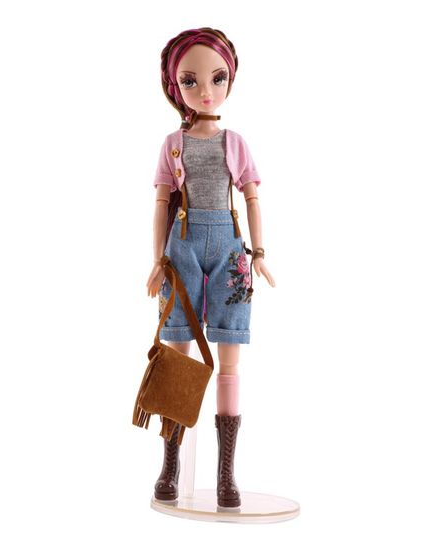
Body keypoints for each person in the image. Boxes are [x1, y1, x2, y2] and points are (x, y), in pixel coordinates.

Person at [146, 27, 275, 508]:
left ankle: (226, 474)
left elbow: (252, 198)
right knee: (177, 356)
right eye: (190, 81)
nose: (205, 91)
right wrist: (156, 260)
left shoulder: (234, 143)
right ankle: (171, 465)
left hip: (229, 252)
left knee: (230, 360)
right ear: (174, 85)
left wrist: (259, 253)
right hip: (180, 250)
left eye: (217, 79)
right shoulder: (172, 144)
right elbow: (161, 204)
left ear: (230, 81)